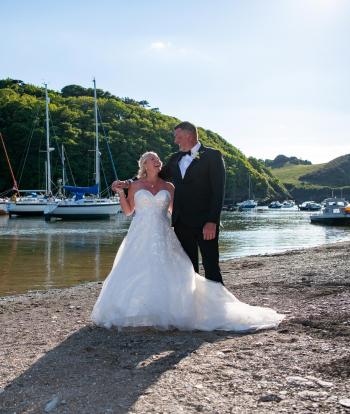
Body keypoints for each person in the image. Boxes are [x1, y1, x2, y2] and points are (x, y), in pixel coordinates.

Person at [91, 151, 284, 331]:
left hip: (163, 232)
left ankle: (171, 311)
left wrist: (202, 220)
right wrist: (120, 193)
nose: (157, 160)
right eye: (152, 158)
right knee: (137, 270)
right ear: (144, 164)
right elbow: (127, 212)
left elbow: (176, 211)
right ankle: (137, 311)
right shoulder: (134, 185)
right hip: (139, 234)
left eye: (158, 158)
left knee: (170, 270)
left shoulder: (169, 187)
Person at [112, 121, 225, 285]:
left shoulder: (213, 156)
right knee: (188, 269)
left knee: (211, 266)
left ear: (189, 135)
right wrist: (128, 183)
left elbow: (218, 192)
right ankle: (193, 305)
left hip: (205, 223)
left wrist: (212, 221)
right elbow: (152, 177)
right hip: (181, 224)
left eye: (177, 136)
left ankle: (217, 306)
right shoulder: (175, 159)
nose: (175, 141)